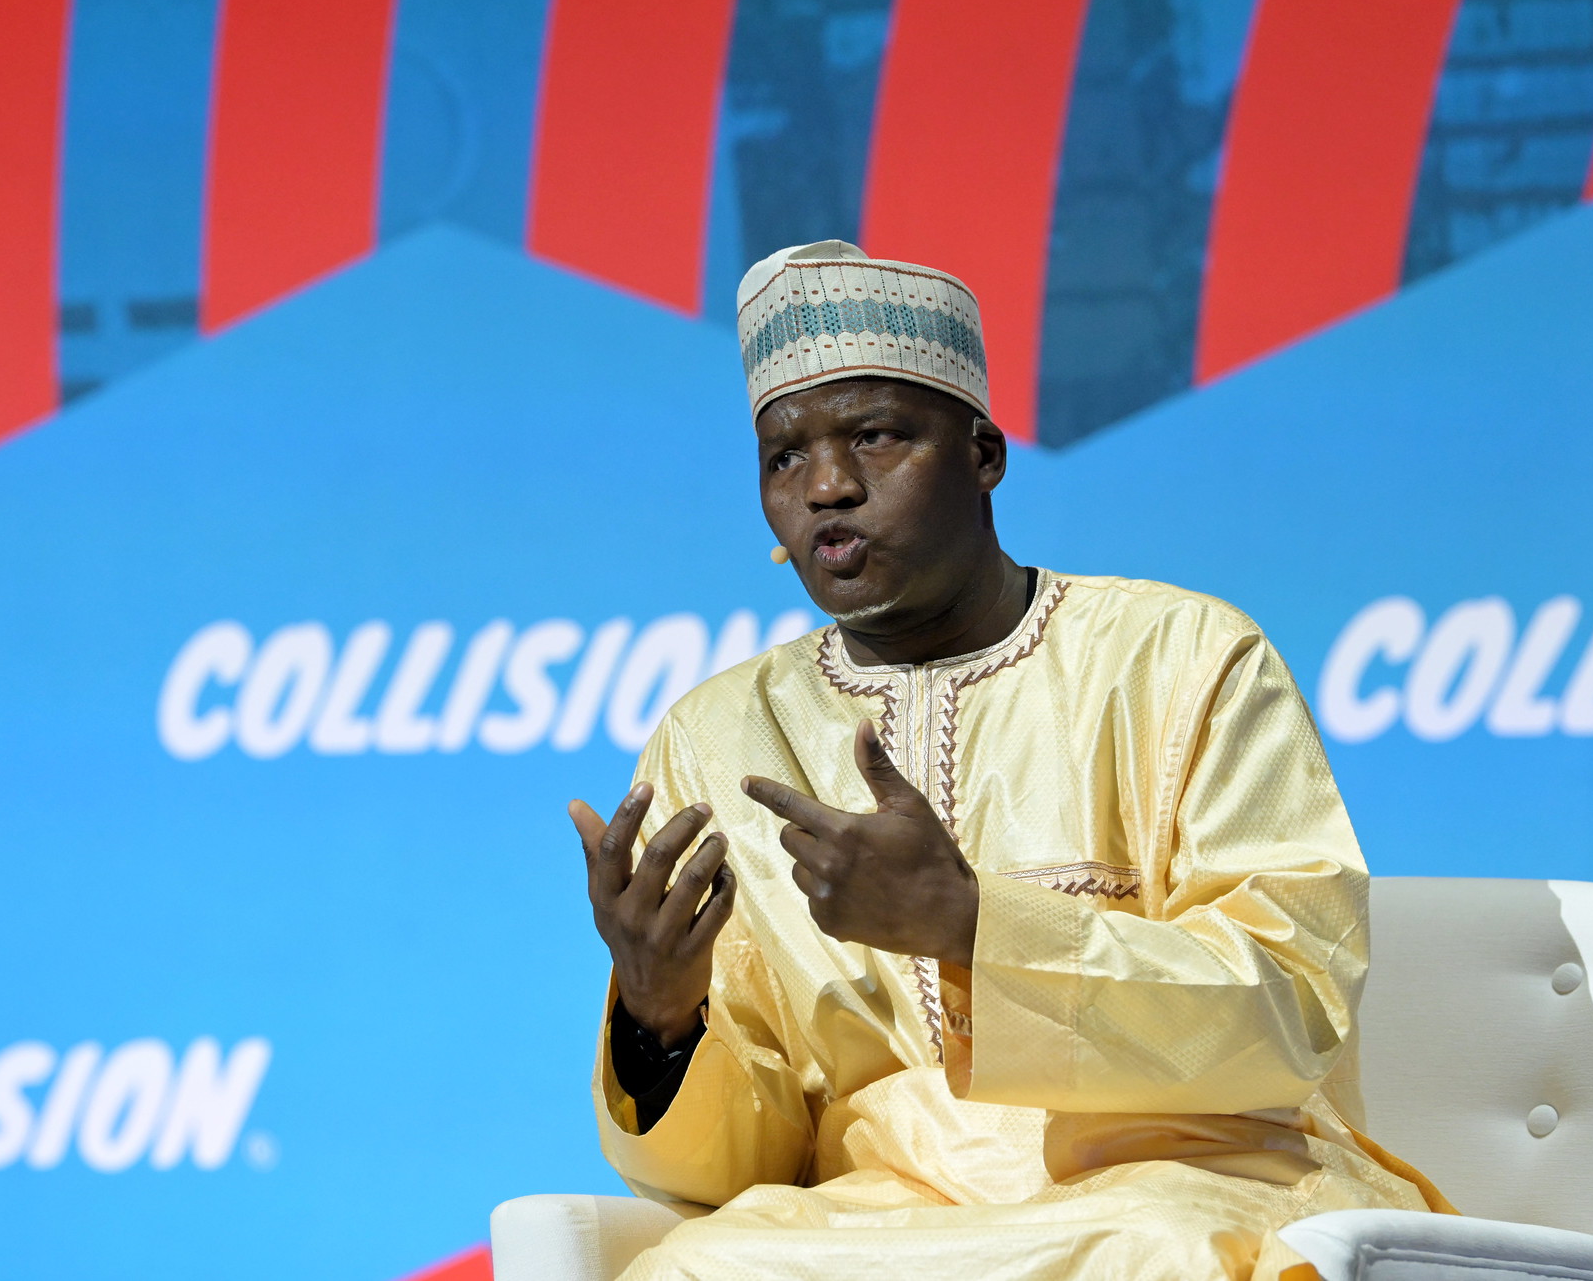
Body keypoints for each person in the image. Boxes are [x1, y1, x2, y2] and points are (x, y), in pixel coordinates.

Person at [565, 241, 1448, 1280]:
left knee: (1153, 1254)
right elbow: (743, 1167)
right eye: (783, 458)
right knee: (690, 1268)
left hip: (1187, 1175)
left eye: (875, 436)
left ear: (982, 454)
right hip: (883, 1207)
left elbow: (1287, 1005)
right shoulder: (713, 735)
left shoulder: (1182, 657)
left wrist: (969, 925)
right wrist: (661, 1018)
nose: (827, 488)